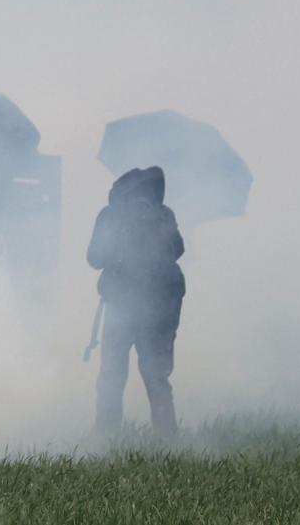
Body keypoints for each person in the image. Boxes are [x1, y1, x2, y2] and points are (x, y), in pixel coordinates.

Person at [87, 166, 185, 436]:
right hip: (161, 308)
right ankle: (167, 439)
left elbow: (94, 258)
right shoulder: (164, 214)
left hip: (122, 306)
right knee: (157, 378)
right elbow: (178, 250)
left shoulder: (111, 216)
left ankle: (106, 438)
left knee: (111, 377)